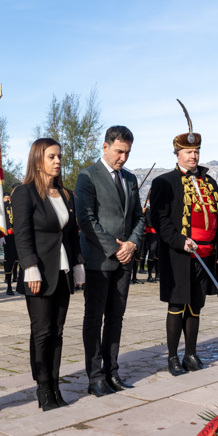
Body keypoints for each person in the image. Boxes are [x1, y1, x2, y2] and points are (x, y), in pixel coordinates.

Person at [13, 138, 85, 410]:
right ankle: (43, 388)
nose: (57, 161)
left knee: (58, 331)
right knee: (41, 331)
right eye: (51, 156)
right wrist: (30, 268)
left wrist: (78, 265)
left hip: (63, 271)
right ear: (37, 160)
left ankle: (55, 385)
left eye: (59, 157)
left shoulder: (67, 195)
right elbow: (23, 235)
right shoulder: (25, 192)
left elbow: (71, 235)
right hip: (39, 273)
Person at [150, 129, 218, 376]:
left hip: (206, 255)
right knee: (177, 305)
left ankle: (191, 354)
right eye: (188, 151)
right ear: (177, 154)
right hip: (179, 255)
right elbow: (160, 219)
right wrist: (179, 241)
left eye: (196, 151)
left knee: (195, 306)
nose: (193, 156)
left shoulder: (210, 182)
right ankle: (173, 357)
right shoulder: (164, 182)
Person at [74, 126, 144, 396]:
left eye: (127, 152)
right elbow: (86, 219)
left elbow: (138, 217)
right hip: (98, 261)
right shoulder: (88, 176)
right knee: (94, 319)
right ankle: (94, 377)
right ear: (105, 147)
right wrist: (113, 248)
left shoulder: (130, 179)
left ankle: (113, 372)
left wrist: (132, 244)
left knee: (116, 317)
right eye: (119, 151)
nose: (123, 158)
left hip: (125, 259)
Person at [2, 188, 19, 295]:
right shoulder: (5, 205)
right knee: (9, 259)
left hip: (20, 236)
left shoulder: (21, 204)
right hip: (8, 235)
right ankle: (9, 285)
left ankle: (20, 281)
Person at [142, 201, 159, 282]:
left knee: (157, 255)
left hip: (158, 234)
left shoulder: (158, 209)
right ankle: (149, 275)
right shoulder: (148, 210)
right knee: (151, 254)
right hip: (151, 233)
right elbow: (149, 222)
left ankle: (157, 275)